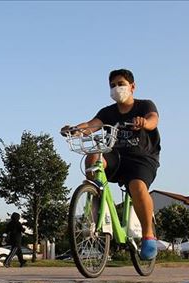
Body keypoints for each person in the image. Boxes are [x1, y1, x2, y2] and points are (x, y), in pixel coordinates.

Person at [61, 68, 161, 260]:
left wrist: (144, 123)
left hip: (142, 158)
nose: (117, 88)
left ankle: (148, 235)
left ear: (132, 86)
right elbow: (92, 125)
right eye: (113, 85)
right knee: (93, 156)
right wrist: (75, 130)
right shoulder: (107, 112)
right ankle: (96, 196)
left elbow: (153, 120)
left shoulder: (144, 105)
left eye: (121, 84)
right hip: (116, 156)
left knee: (137, 187)